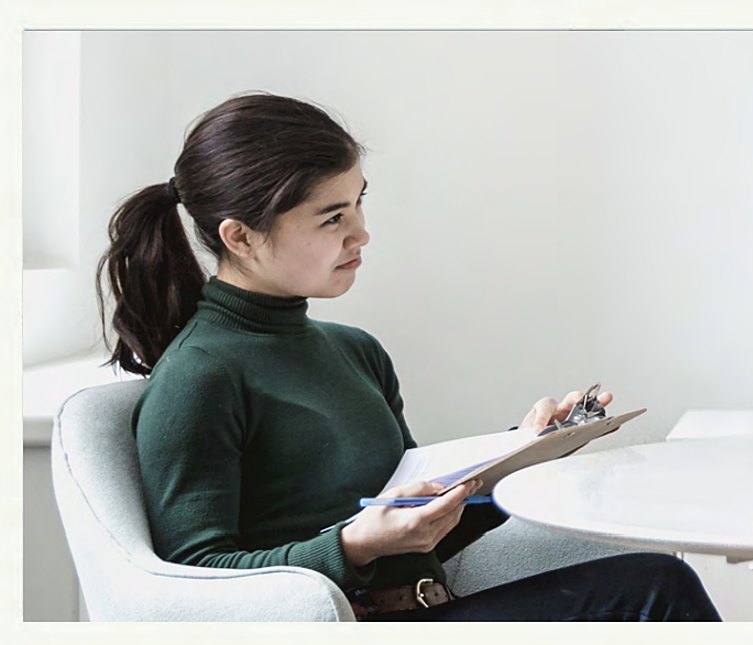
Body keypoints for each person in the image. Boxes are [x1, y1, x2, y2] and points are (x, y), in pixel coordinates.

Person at [99, 92, 720, 621]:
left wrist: (518, 455)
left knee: (654, 577)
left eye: (360, 202)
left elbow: (423, 537)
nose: (361, 232)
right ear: (240, 236)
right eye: (333, 217)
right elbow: (193, 578)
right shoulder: (200, 376)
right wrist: (351, 547)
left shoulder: (356, 352)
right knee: (656, 591)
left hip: (429, 607)